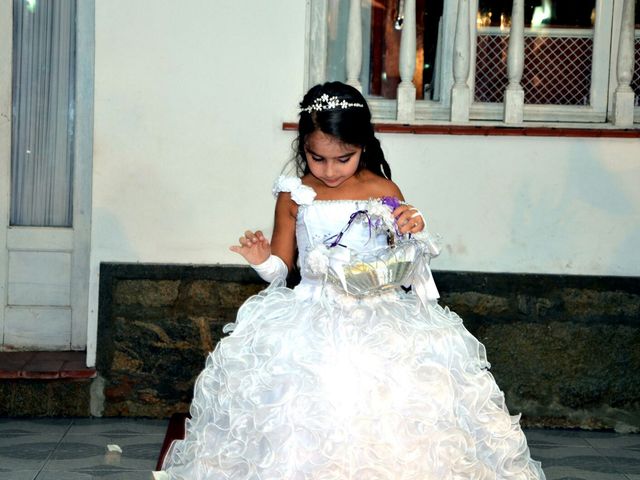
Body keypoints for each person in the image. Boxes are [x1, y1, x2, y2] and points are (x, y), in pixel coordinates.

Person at [160, 81, 546, 479]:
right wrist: (261, 260)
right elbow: (281, 271)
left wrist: (413, 229)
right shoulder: (293, 194)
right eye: (317, 158)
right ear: (303, 148)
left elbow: (402, 257)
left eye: (343, 159)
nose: (329, 171)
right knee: (305, 410)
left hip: (380, 316)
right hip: (311, 314)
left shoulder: (383, 190)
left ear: (363, 146)